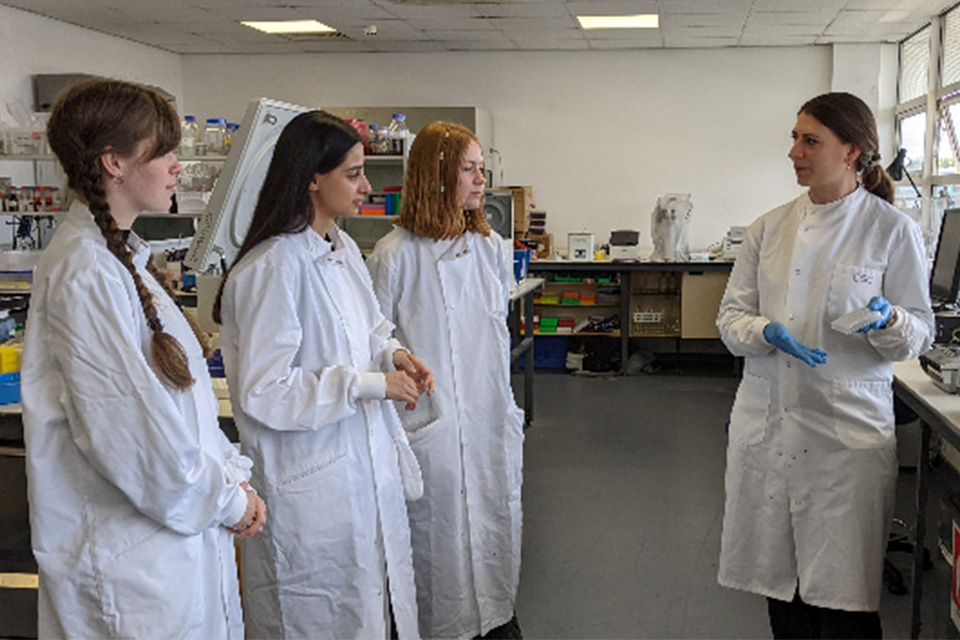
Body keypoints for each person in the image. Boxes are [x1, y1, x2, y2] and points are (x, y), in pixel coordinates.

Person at [21, 78, 266, 639]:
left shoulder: (117, 260)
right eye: (164, 152)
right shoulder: (86, 273)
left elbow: (175, 415)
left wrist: (228, 484)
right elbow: (130, 434)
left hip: (166, 548)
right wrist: (226, 498)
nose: (179, 166)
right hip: (130, 564)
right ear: (114, 163)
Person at [716, 91, 935, 639]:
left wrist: (890, 322)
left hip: (846, 442)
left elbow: (919, 332)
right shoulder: (767, 229)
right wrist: (764, 331)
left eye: (810, 140)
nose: (794, 151)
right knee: (782, 596)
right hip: (770, 427)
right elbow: (730, 317)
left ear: (852, 150)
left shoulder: (891, 229)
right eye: (794, 138)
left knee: (843, 604)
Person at [213, 110, 435, 639]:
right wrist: (370, 385)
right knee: (316, 616)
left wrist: (394, 354)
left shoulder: (339, 251)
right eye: (353, 174)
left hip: (359, 471)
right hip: (309, 482)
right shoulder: (271, 268)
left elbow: (370, 330)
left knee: (369, 608)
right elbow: (267, 391)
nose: (366, 186)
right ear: (312, 178)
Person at [367, 121, 525, 640]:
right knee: (439, 550)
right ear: (436, 174)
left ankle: (496, 619)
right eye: (468, 168)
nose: (481, 180)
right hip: (429, 425)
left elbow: (492, 335)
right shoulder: (394, 255)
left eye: (483, 168)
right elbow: (377, 343)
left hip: (485, 416)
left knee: (492, 526)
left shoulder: (491, 249)